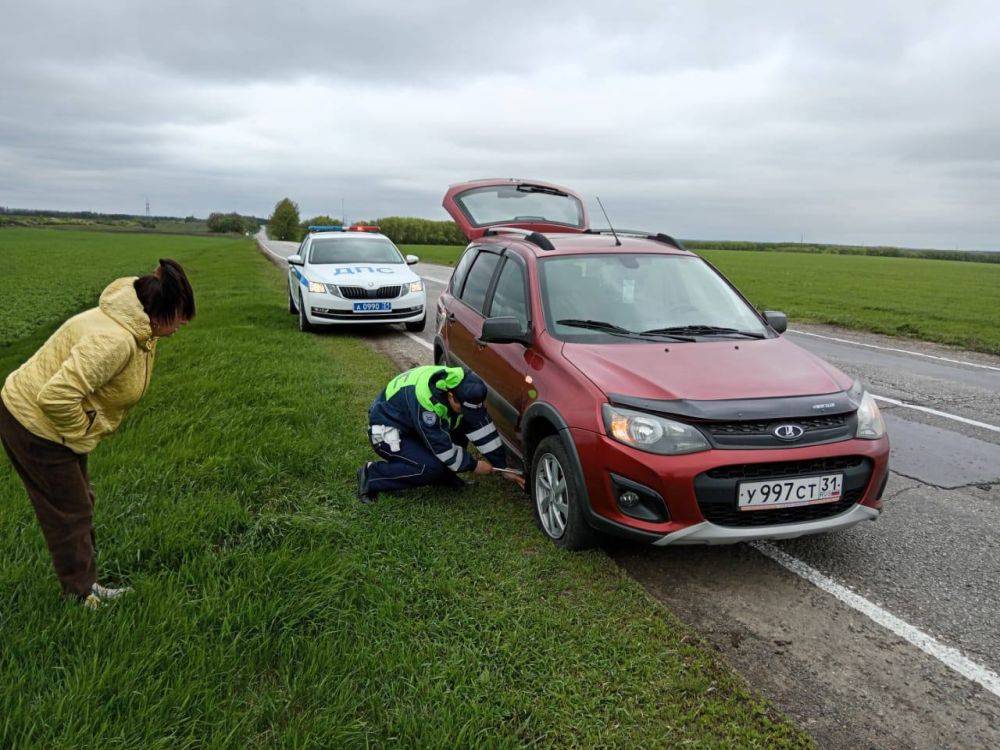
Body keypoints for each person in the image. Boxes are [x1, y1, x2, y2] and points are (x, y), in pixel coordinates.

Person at [0, 259, 195, 609]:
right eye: (179, 314)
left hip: (52, 421)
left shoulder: (138, 328)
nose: (183, 323)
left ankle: (87, 584)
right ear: (159, 311)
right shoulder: (115, 340)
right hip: (33, 423)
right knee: (70, 511)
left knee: (81, 503)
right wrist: (83, 430)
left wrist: (81, 431)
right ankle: (80, 597)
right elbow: (55, 396)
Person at [357, 365, 524, 502]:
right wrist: (474, 465)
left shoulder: (457, 385)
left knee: (461, 424)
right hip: (387, 431)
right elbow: (441, 447)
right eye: (463, 408)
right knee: (429, 468)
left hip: (412, 426)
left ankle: (445, 476)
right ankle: (371, 476)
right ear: (451, 396)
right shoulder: (426, 402)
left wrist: (502, 466)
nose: (466, 412)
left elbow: (481, 428)